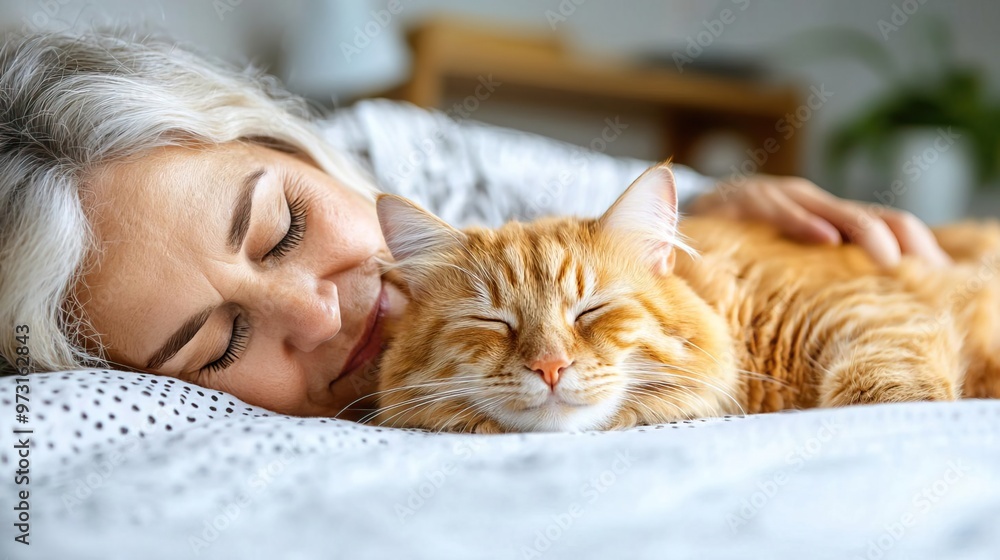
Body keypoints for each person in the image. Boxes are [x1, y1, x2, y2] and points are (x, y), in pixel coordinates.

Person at [0, 30, 952, 419]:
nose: (324, 314)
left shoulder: (395, 153)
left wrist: (718, 201)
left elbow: (646, 204)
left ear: (284, 143)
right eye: (220, 341)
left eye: (283, 227)